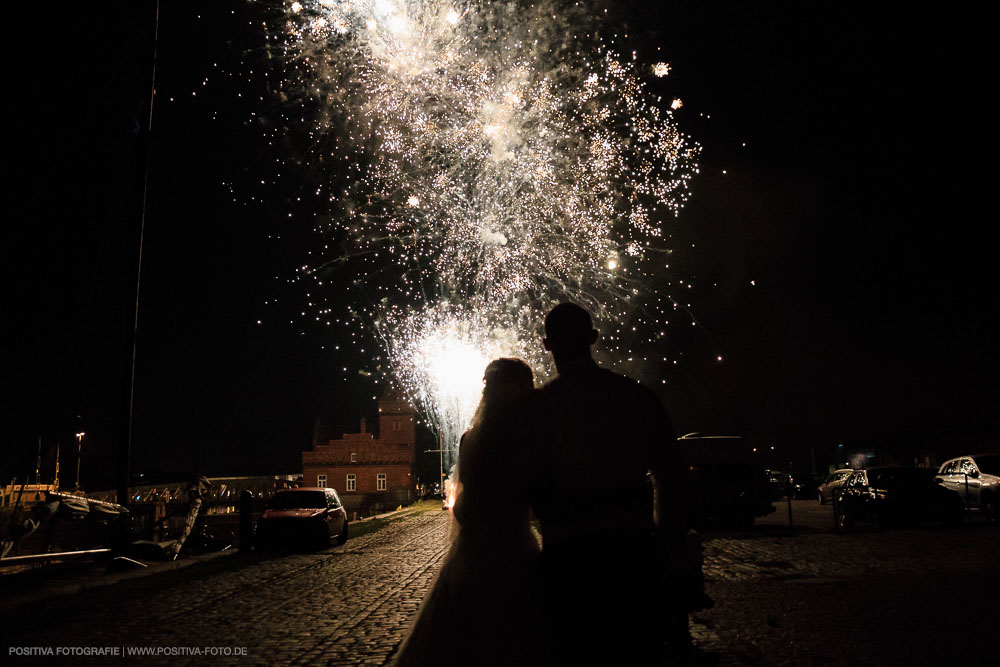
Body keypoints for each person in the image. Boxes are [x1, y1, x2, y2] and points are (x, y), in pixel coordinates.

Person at [530, 302, 689, 666]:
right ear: (594, 338)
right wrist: (666, 547)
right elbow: (672, 477)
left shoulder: (537, 408)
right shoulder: (636, 397)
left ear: (546, 345)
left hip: (567, 561)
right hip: (632, 555)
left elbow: (521, 485)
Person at [391, 358, 546, 667]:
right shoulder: (530, 439)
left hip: (472, 558)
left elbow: (463, 507)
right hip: (515, 555)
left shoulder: (470, 440)